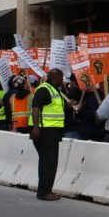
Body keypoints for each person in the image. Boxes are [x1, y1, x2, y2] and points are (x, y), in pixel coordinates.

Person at [29, 68, 67, 201]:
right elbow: (35, 108)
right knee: (47, 162)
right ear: (55, 78)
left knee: (51, 162)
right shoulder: (44, 89)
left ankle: (47, 190)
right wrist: (36, 128)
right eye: (61, 78)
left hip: (53, 131)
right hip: (45, 131)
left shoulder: (55, 90)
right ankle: (44, 192)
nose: (63, 80)